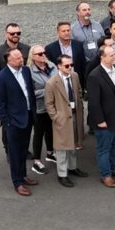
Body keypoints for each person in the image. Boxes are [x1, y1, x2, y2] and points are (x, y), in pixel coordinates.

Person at [0, 48, 37, 196]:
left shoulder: (25, 71)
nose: (21, 60)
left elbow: (29, 92)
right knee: (15, 153)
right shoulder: (1, 77)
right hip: (13, 122)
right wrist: (7, 122)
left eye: (21, 57)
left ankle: (23, 175)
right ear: (9, 60)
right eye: (17, 58)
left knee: (24, 150)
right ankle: (17, 182)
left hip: (28, 117)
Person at [88, 45, 115, 187]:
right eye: (111, 55)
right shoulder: (95, 76)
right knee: (104, 149)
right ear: (102, 57)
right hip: (105, 121)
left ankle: (113, 169)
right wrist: (100, 121)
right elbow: (94, 102)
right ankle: (105, 175)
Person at [45, 55, 87, 187]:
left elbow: (79, 91)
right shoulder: (52, 83)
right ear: (59, 66)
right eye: (67, 66)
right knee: (62, 148)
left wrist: (79, 104)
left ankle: (72, 168)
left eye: (71, 65)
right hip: (62, 119)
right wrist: (56, 118)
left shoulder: (74, 76)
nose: (70, 68)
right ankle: (62, 174)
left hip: (75, 115)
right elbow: (49, 104)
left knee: (73, 144)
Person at [0, 23, 29, 154]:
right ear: (6, 34)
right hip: (7, 96)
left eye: (18, 33)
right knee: (8, 127)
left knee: (24, 124)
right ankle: (8, 150)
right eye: (12, 33)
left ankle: (24, 148)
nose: (16, 35)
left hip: (22, 95)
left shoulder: (26, 49)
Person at [27, 46, 56, 175]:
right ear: (32, 57)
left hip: (53, 106)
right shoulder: (29, 72)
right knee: (38, 134)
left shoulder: (52, 66)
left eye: (44, 52)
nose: (43, 55)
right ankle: (36, 161)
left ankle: (50, 153)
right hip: (39, 108)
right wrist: (48, 90)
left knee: (50, 130)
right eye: (39, 54)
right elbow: (30, 93)